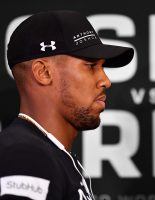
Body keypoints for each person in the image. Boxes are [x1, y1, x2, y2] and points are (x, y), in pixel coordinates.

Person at [0, 10, 134, 200]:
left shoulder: (49, 153)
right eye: (91, 66)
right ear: (44, 72)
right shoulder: (24, 156)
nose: (105, 80)